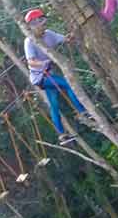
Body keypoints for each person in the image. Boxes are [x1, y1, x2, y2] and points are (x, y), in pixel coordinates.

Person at [23, 8, 86, 140]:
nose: (43, 27)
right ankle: (82, 112)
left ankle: (62, 134)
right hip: (40, 77)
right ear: (33, 26)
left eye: (44, 24)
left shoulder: (49, 34)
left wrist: (70, 36)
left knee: (54, 104)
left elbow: (64, 39)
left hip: (49, 74)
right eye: (40, 25)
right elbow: (31, 63)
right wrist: (46, 62)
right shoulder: (29, 41)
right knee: (69, 85)